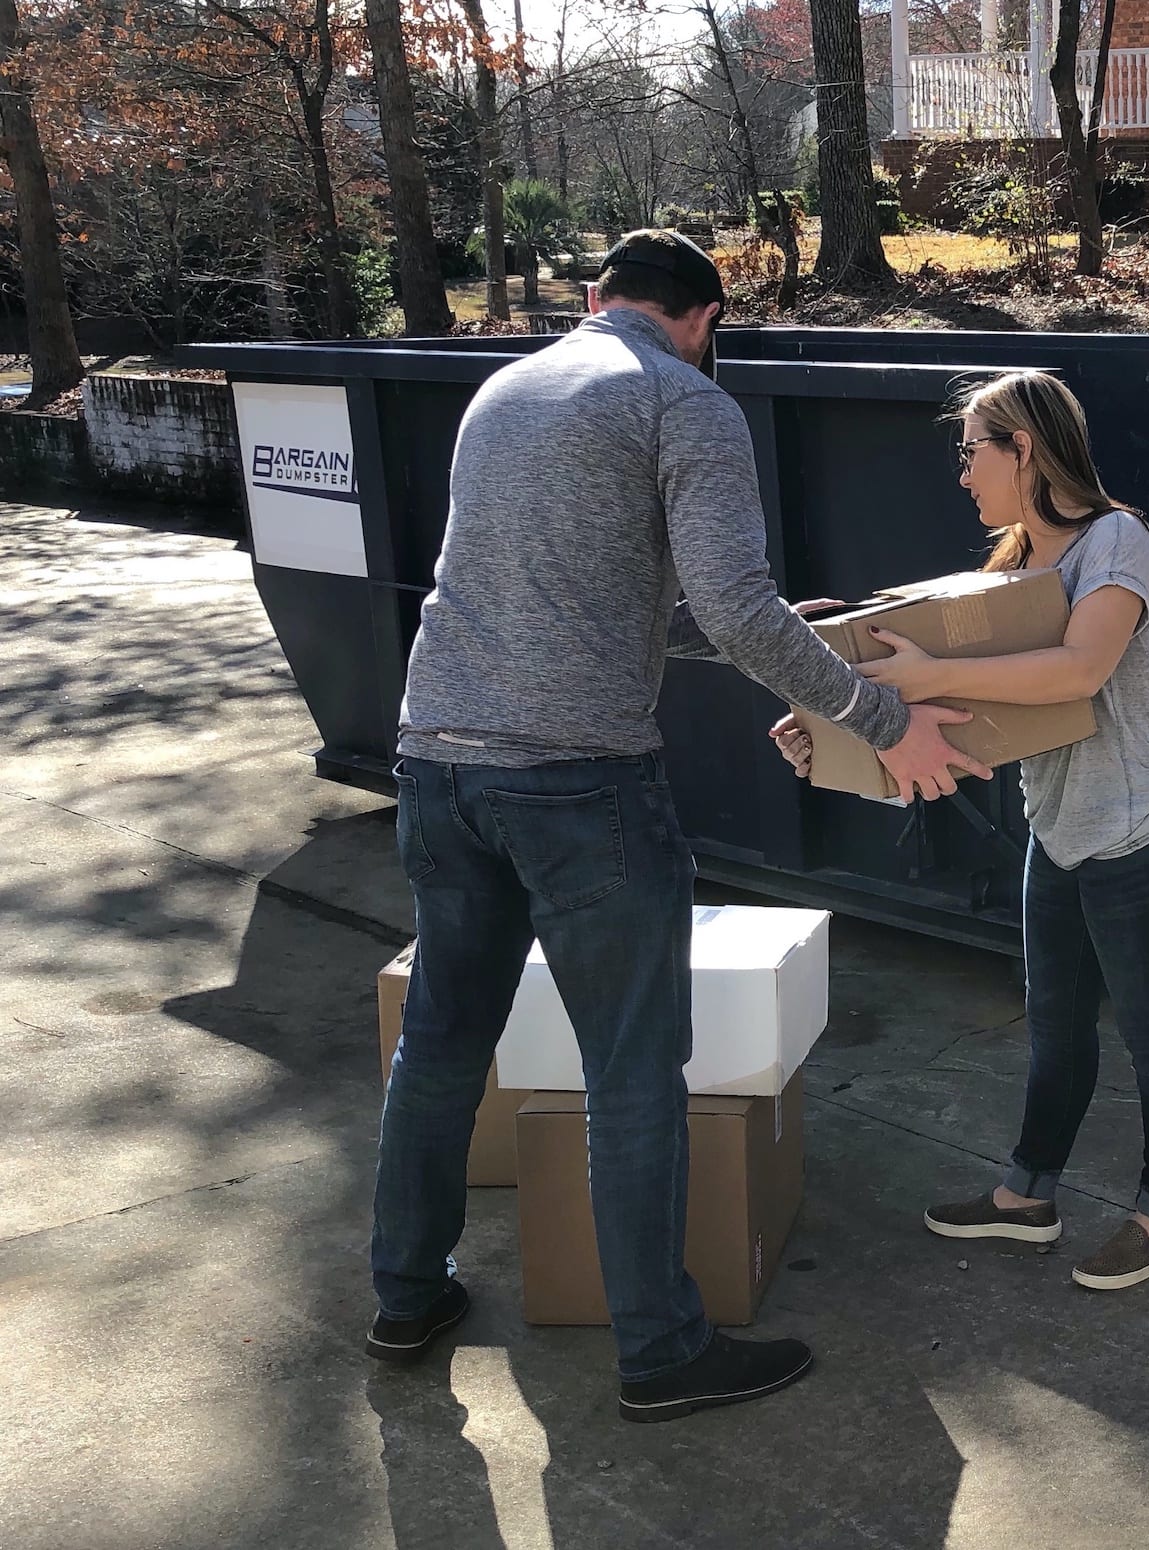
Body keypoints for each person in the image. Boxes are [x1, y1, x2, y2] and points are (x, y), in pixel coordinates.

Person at [368, 229, 987, 1422]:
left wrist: (756, 628)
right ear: (704, 320)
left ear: (597, 299)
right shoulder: (683, 400)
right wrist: (878, 713)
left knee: (443, 1039)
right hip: (578, 786)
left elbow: (594, 600)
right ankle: (659, 1347)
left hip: (437, 762)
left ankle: (405, 1291)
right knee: (633, 1068)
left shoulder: (503, 388)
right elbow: (731, 602)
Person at [771, 369, 1149, 1291]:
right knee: (1056, 1028)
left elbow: (1077, 672)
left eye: (972, 449)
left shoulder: (1117, 544)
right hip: (1058, 836)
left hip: (1147, 836)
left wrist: (924, 678)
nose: (964, 472)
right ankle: (1027, 1198)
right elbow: (978, 716)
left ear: (1024, 449)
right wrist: (836, 732)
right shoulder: (1007, 572)